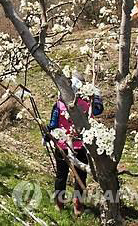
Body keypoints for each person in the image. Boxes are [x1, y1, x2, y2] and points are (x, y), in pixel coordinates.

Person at [45, 72, 103, 216]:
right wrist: (96, 97)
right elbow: (98, 110)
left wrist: (46, 136)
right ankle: (78, 205)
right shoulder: (87, 104)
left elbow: (52, 124)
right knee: (80, 176)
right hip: (80, 146)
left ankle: (60, 204)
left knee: (61, 175)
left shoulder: (60, 104)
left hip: (63, 146)